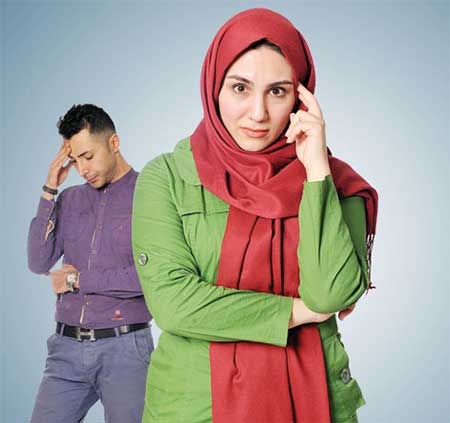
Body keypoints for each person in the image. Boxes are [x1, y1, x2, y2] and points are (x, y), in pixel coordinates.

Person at [132, 8, 378, 423]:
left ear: (301, 97)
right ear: (214, 88)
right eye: (240, 88)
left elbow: (330, 296)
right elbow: (174, 304)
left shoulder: (336, 183)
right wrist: (295, 313)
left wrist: (316, 171)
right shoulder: (167, 177)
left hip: (316, 402)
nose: (258, 113)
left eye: (277, 91)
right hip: (196, 409)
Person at [28, 104, 153, 423]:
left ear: (114, 142)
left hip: (126, 349)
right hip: (65, 350)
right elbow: (38, 261)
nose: (83, 169)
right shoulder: (70, 199)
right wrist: (49, 188)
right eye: (75, 160)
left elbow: (148, 278)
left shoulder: (149, 195)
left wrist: (77, 280)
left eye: (88, 156)